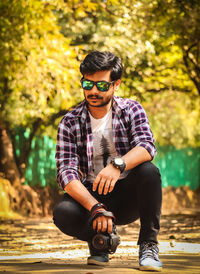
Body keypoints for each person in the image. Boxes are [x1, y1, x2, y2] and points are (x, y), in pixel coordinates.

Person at [53, 50, 162, 272]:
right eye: (88, 84)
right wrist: (95, 207)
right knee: (62, 212)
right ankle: (101, 241)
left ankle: (149, 245)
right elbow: (66, 172)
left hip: (126, 196)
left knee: (149, 172)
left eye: (102, 85)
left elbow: (147, 146)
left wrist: (117, 165)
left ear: (116, 84)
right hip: (90, 197)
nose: (93, 91)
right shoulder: (69, 122)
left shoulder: (132, 110)